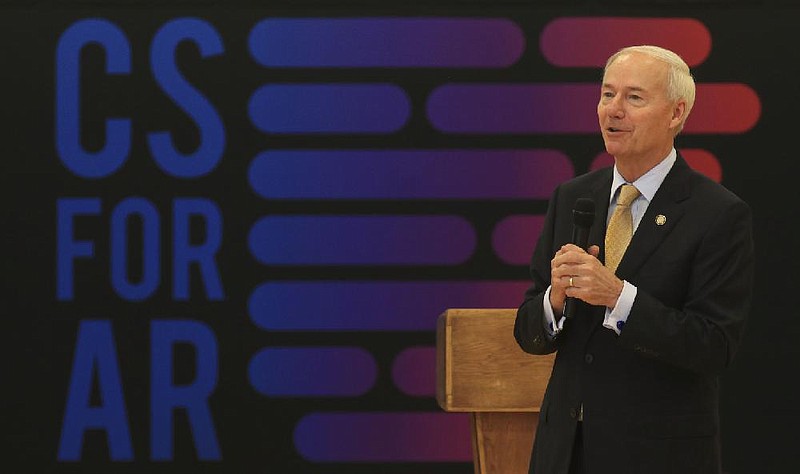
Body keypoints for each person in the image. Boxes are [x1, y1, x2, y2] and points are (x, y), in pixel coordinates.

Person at [514, 45, 754, 474]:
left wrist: (619, 297)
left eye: (634, 97)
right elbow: (529, 331)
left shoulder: (717, 213)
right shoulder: (573, 197)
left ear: (676, 113)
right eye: (607, 95)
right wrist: (554, 300)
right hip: (565, 451)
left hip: (657, 454)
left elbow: (713, 346)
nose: (613, 110)